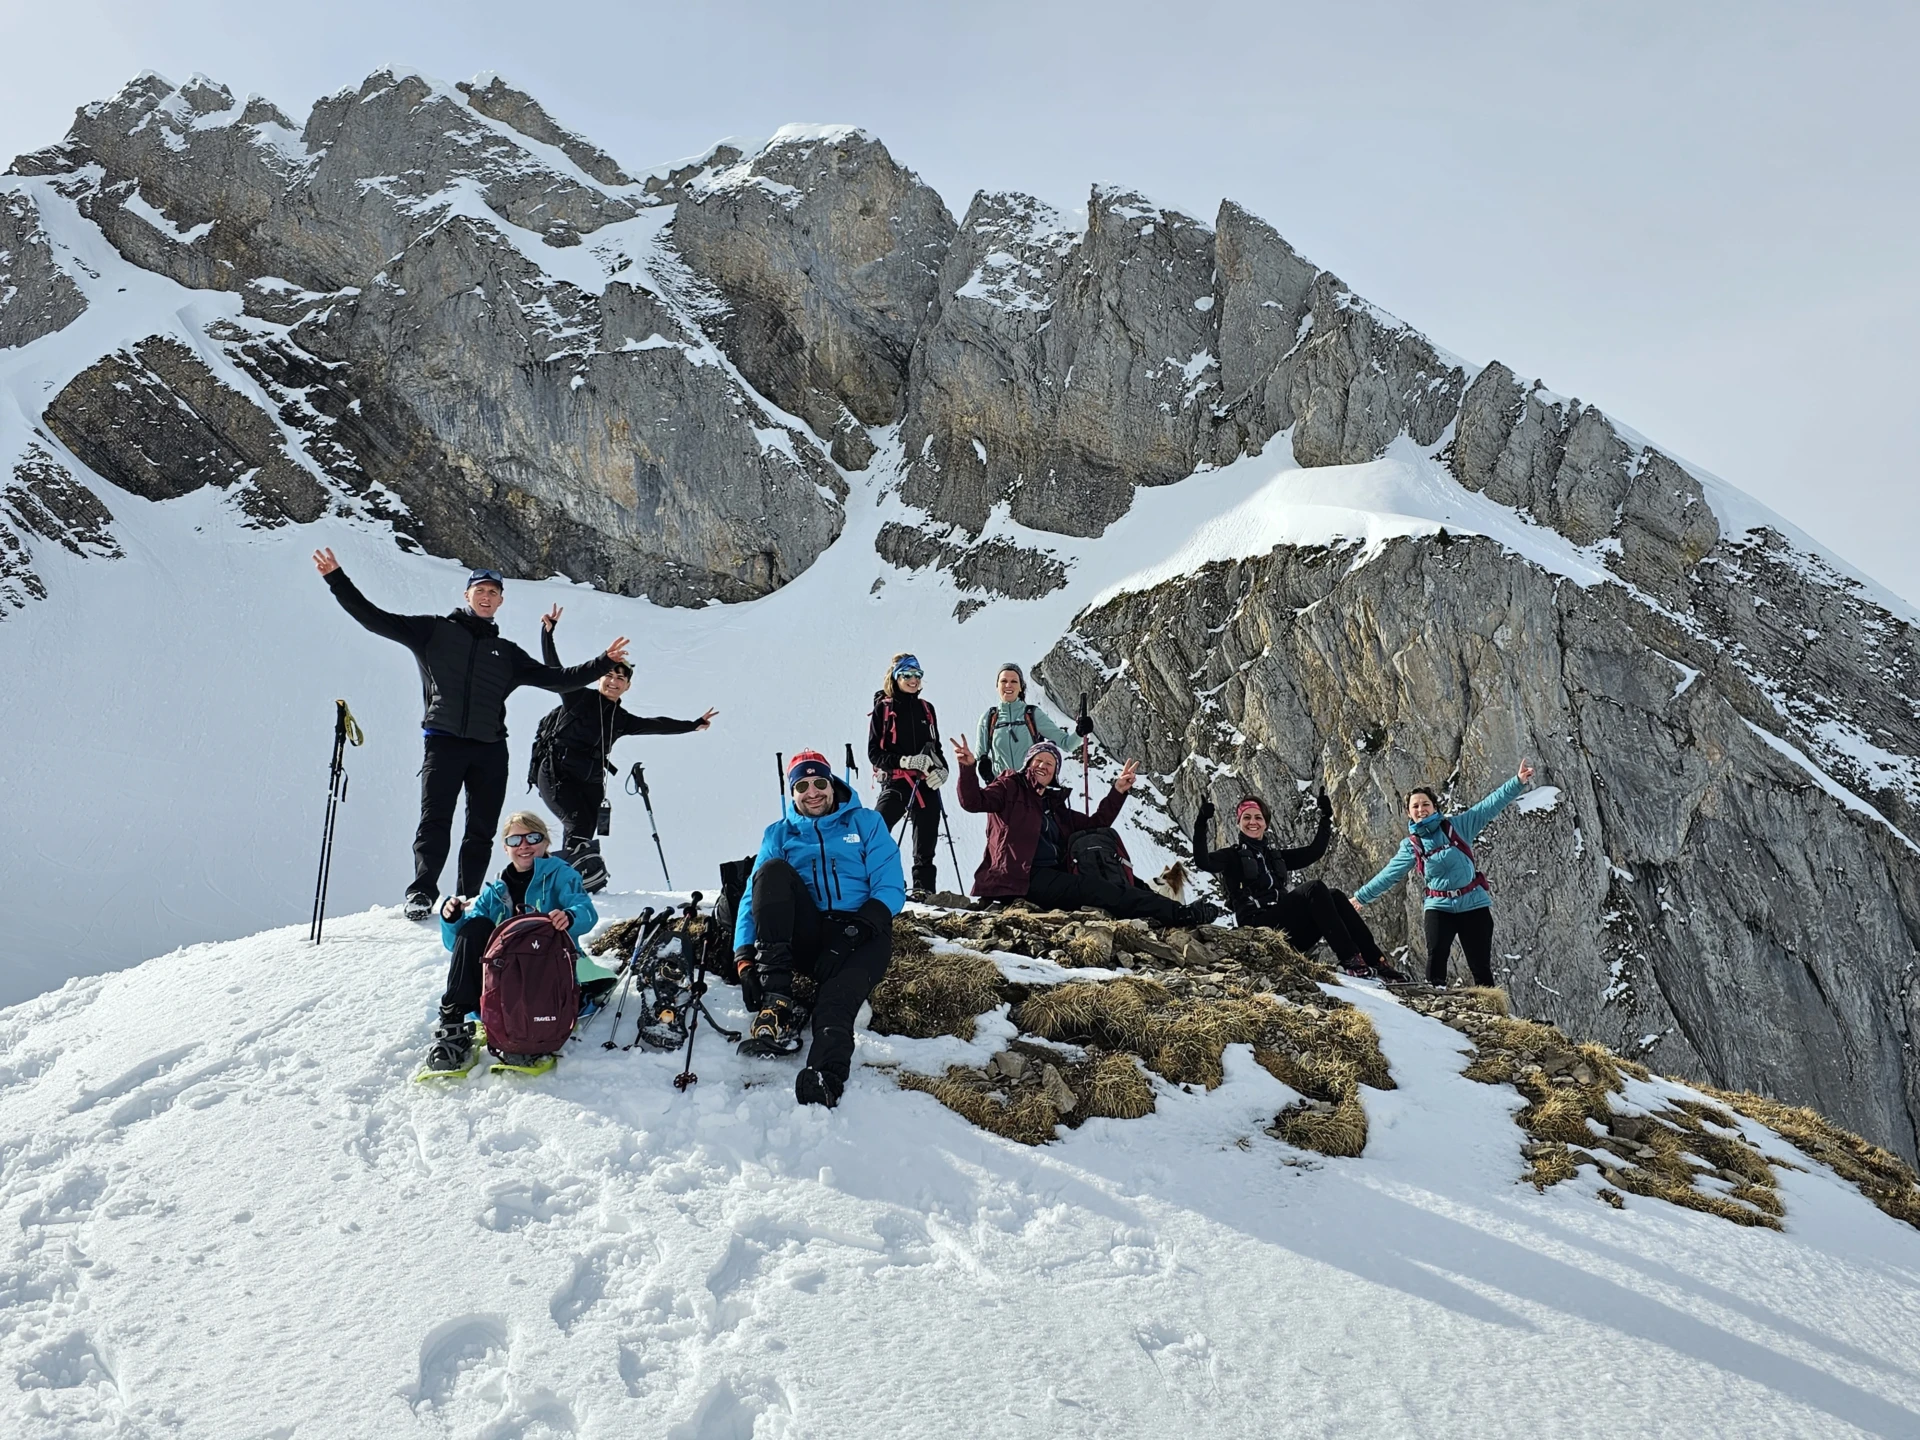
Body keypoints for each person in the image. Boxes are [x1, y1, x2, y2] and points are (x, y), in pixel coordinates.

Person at [313, 549, 628, 918]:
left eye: (493, 592)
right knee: (435, 820)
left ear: (500, 601)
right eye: (480, 590)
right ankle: (422, 893)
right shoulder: (434, 631)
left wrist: (604, 662)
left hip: (490, 749)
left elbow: (556, 679)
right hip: (443, 742)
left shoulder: (506, 653)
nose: (486, 596)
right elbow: (374, 619)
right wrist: (336, 578)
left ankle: (470, 899)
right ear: (467, 595)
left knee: (480, 830)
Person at [732, 751, 906, 1108]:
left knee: (835, 1003)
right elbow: (754, 896)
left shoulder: (866, 823)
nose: (813, 792)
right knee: (771, 871)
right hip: (810, 931)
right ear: (792, 793)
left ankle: (825, 1078)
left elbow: (890, 888)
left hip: (863, 934)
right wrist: (744, 959)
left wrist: (852, 934)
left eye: (820, 783)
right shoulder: (779, 833)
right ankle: (777, 1001)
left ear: (833, 784)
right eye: (802, 786)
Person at [531, 605, 717, 892]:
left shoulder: (622, 719)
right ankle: (562, 882)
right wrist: (548, 634)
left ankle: (572, 879)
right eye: (610, 675)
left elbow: (656, 724)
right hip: (557, 771)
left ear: (628, 687)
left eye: (621, 679)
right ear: (600, 677)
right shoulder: (578, 697)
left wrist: (692, 724)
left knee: (587, 826)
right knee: (577, 824)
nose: (614, 681)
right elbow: (556, 672)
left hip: (590, 776)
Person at [952, 736, 1218, 926]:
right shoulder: (1010, 787)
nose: (1043, 765)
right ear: (1027, 763)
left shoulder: (1055, 808)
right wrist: (967, 768)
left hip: (1052, 875)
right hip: (1019, 878)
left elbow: (1096, 824)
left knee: (1129, 883)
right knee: (1096, 888)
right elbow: (972, 801)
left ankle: (1175, 912)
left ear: (1055, 772)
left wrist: (1118, 791)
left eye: (1050, 763)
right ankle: (1180, 916)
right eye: (1038, 760)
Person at [423, 810, 600, 1073]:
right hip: (510, 973)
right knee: (476, 926)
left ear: (545, 842)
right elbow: (460, 945)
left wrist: (569, 916)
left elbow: (586, 910)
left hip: (549, 967)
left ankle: (531, 1031)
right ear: (506, 848)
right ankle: (453, 1023)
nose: (524, 846)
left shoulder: (561, 875)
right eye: (516, 840)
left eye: (533, 837)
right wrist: (453, 919)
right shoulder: (495, 890)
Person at [1351, 763, 1537, 987]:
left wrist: (1517, 781)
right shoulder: (1412, 845)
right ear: (1408, 812)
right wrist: (1360, 898)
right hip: (1439, 906)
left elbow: (1489, 806)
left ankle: (1494, 1014)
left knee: (1481, 968)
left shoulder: (1457, 827)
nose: (1421, 810)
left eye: (1425, 804)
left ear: (1435, 807)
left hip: (1473, 904)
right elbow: (1389, 874)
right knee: (1436, 958)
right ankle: (1435, 1011)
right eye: (1415, 806)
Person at [1193, 791, 1402, 979]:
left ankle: (1377, 962)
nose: (1252, 822)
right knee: (1314, 889)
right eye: (1246, 817)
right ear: (1239, 823)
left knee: (1336, 896)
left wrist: (1325, 818)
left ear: (1266, 823)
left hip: (1288, 934)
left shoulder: (1274, 857)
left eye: (1258, 817)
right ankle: (1350, 960)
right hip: (1256, 930)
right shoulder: (1231, 856)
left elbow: (1314, 853)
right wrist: (1202, 822)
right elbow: (1204, 862)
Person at [868, 653, 948, 896]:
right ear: (895, 677)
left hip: (925, 782)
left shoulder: (927, 709)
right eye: (907, 675)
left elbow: (936, 748)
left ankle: (924, 895)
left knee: (926, 845)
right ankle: (882, 884)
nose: (913, 680)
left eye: (917, 675)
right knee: (877, 829)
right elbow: (875, 753)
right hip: (897, 781)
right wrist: (905, 761)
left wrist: (943, 770)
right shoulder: (884, 709)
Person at [974, 663, 1084, 781]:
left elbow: (1067, 744)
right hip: (1002, 792)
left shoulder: (1032, 714)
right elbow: (980, 757)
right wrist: (987, 776)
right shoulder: (988, 718)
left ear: (1021, 687)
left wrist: (1080, 732)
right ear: (997, 686)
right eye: (1003, 681)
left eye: (1014, 681)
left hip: (1030, 791)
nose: (1008, 685)